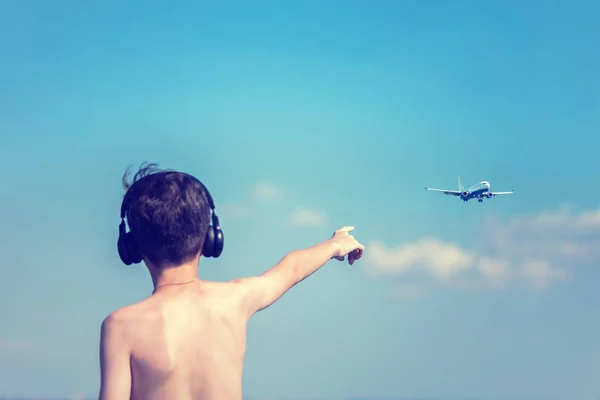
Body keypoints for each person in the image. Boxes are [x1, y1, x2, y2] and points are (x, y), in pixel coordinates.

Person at [98, 163, 365, 400]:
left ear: (131, 246)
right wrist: (334, 244)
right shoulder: (234, 300)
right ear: (210, 238)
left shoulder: (122, 326)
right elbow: (292, 268)